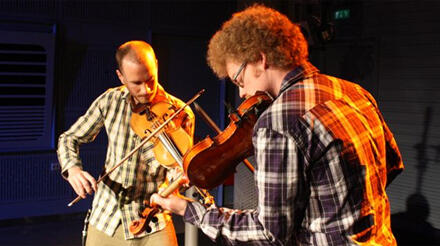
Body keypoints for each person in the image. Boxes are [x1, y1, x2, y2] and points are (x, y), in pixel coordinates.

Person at [151, 5, 404, 245]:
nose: (241, 93)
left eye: (238, 80)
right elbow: (391, 167)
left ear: (260, 60)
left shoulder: (277, 121)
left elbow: (270, 233)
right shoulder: (354, 91)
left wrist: (190, 210)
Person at [57, 40, 194, 246]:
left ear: (156, 66)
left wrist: (178, 180)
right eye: (136, 83)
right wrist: (74, 170)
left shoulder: (180, 112)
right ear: (121, 76)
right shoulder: (110, 101)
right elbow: (69, 138)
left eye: (150, 80)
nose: (146, 90)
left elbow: (178, 168)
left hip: (153, 219)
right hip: (107, 217)